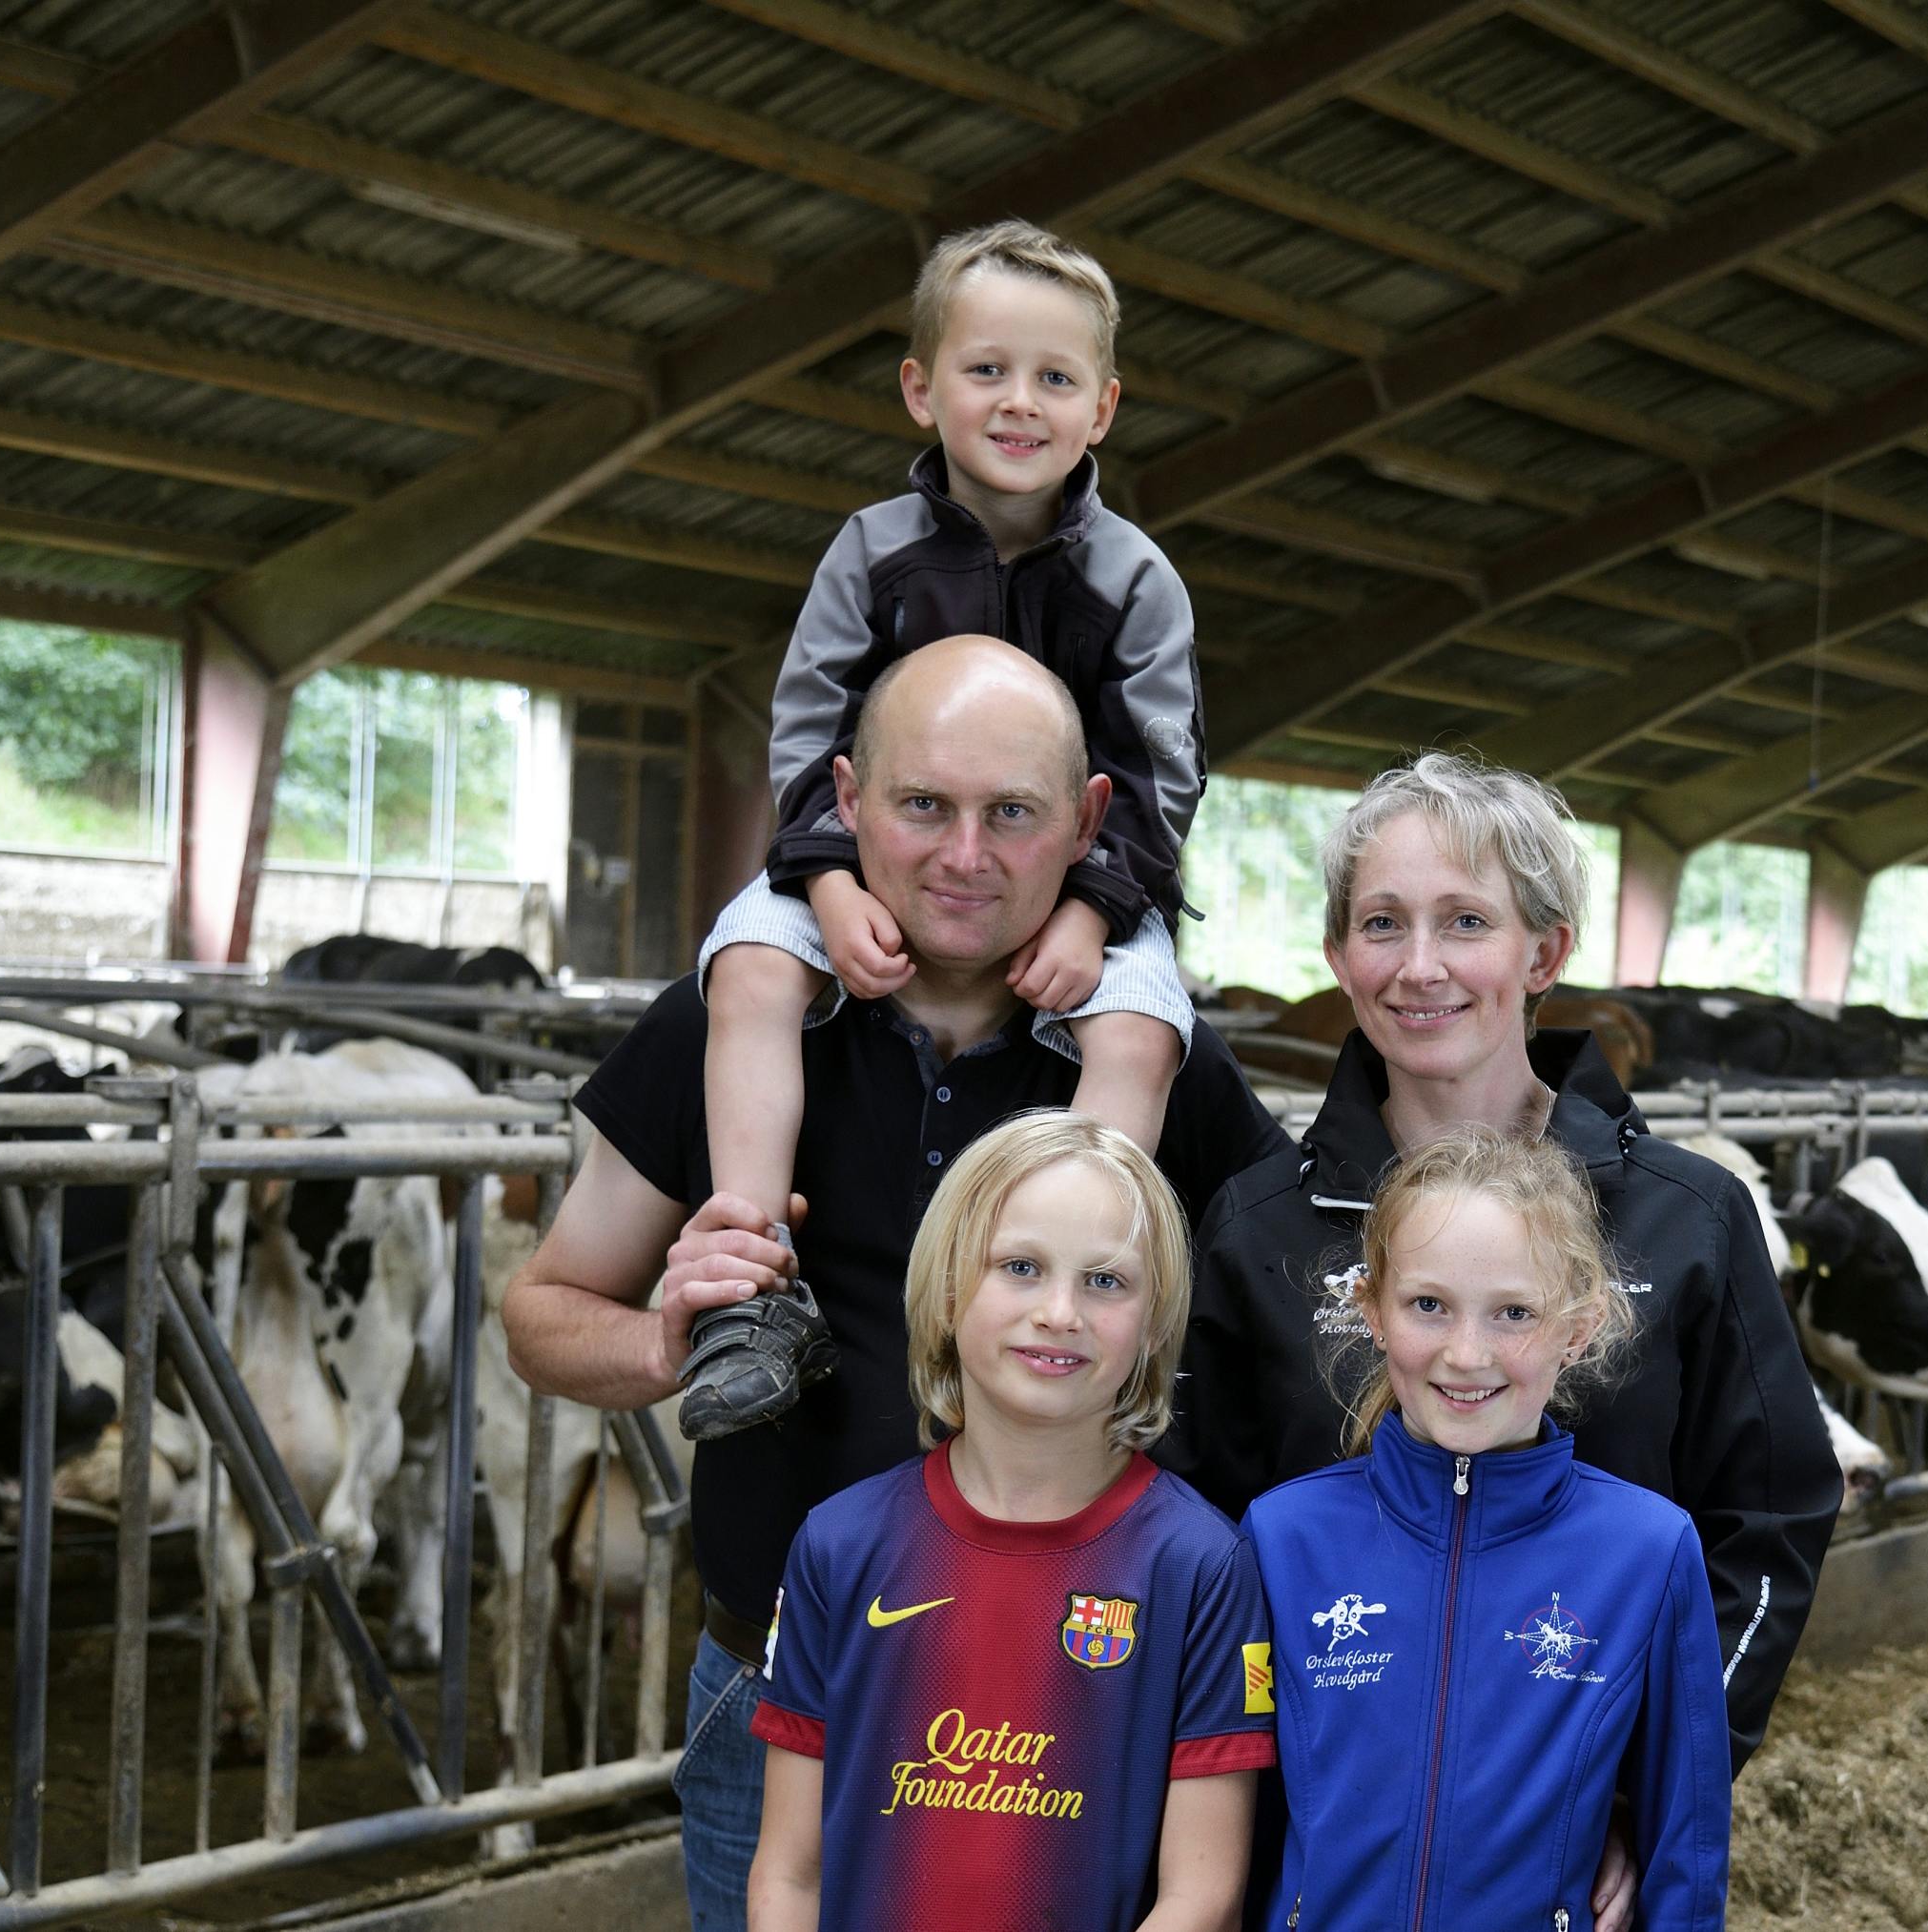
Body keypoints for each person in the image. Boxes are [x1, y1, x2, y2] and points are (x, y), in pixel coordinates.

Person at [502, 636, 1287, 1932]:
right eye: (923, 805)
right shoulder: (723, 1026)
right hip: (782, 1688)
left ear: (1090, 821)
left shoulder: (1154, 1067)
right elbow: (542, 1311)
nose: (963, 856)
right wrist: (665, 1342)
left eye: (1012, 814)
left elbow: (1282, 1329)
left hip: (1084, 1705)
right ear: (847, 800)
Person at [1162, 751, 1837, 1928]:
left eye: (1464, 921)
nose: (1418, 966)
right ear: (1337, 957)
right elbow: (1201, 1542)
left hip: (1572, 1862)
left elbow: (1769, 1522)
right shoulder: (1256, 1226)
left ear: (1544, 954)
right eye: (1382, 923)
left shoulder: (1687, 1215)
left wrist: (1652, 1786)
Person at [683, 216, 1203, 1444]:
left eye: (1055, 377)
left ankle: (1079, 1305)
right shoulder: (870, 553)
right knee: (748, 968)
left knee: (1134, 1032)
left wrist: (1092, 908)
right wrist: (819, 884)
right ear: (921, 389)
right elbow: (808, 730)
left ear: (1103, 408)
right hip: (862, 870)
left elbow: (1157, 773)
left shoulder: (1136, 582)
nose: (1019, 402)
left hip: (1080, 889)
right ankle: (752, 1287)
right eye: (986, 370)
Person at [748, 1112, 1268, 1932]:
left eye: (1106, 1281)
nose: (1060, 1311)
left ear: (1155, 1320)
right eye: (1020, 1267)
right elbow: (788, 1875)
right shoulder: (839, 1545)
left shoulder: (1200, 1565)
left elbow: (1201, 1900)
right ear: (950, 1290)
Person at [1241, 1127, 1727, 1931]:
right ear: (1371, 1311)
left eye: (1514, 1314)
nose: (1467, 1354)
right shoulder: (1283, 1536)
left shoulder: (1648, 1551)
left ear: (1579, 1326)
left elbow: (1688, 1845)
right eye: (1428, 1306)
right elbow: (1237, 1821)